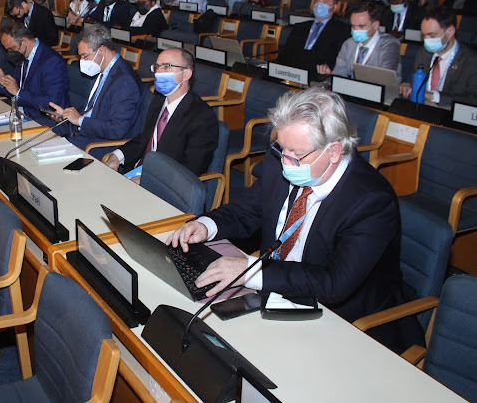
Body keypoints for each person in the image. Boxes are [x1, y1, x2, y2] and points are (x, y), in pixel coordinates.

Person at [167, 87, 423, 352]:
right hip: (276, 291)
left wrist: (249, 271)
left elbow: (335, 283)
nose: (286, 162)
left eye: (296, 155)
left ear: (334, 151)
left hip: (344, 321)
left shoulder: (370, 201)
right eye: (282, 148)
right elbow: (247, 211)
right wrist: (205, 225)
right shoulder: (281, 158)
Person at [105, 48, 218, 176]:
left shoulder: (202, 117)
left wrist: (147, 179)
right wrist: (117, 156)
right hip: (136, 172)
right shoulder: (158, 100)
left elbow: (191, 169)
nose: (158, 72)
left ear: (186, 74)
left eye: (166, 67)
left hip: (165, 183)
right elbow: (145, 139)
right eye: (157, 67)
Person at [47, 24, 143, 154]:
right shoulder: (105, 70)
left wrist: (80, 120)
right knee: (40, 142)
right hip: (87, 134)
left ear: (102, 50)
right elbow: (93, 110)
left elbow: (117, 130)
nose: (82, 60)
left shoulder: (125, 81)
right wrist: (66, 115)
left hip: (101, 145)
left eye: (85, 56)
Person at [0, 21, 69, 124]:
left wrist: (18, 92)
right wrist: (2, 80)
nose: (10, 53)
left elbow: (51, 103)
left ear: (24, 41)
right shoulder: (21, 56)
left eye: (12, 48)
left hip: (42, 119)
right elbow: (16, 91)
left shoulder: (52, 62)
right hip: (20, 113)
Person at [399, 6, 477, 107]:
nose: (426, 40)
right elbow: (413, 81)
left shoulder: (471, 61)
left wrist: (434, 96)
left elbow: (474, 99)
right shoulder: (423, 52)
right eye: (424, 35)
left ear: (450, 32)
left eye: (432, 35)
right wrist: (408, 87)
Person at [329, 0, 402, 83]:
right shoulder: (348, 44)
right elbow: (339, 74)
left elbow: (384, 79)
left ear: (375, 25)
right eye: (353, 26)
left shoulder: (389, 45)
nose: (355, 30)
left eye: (361, 26)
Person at [279, 0, 348, 75]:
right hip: (292, 72)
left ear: (334, 8)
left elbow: (338, 61)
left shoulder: (342, 30)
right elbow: (286, 54)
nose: (320, 5)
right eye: (317, 1)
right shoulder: (300, 27)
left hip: (318, 75)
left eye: (325, 2)